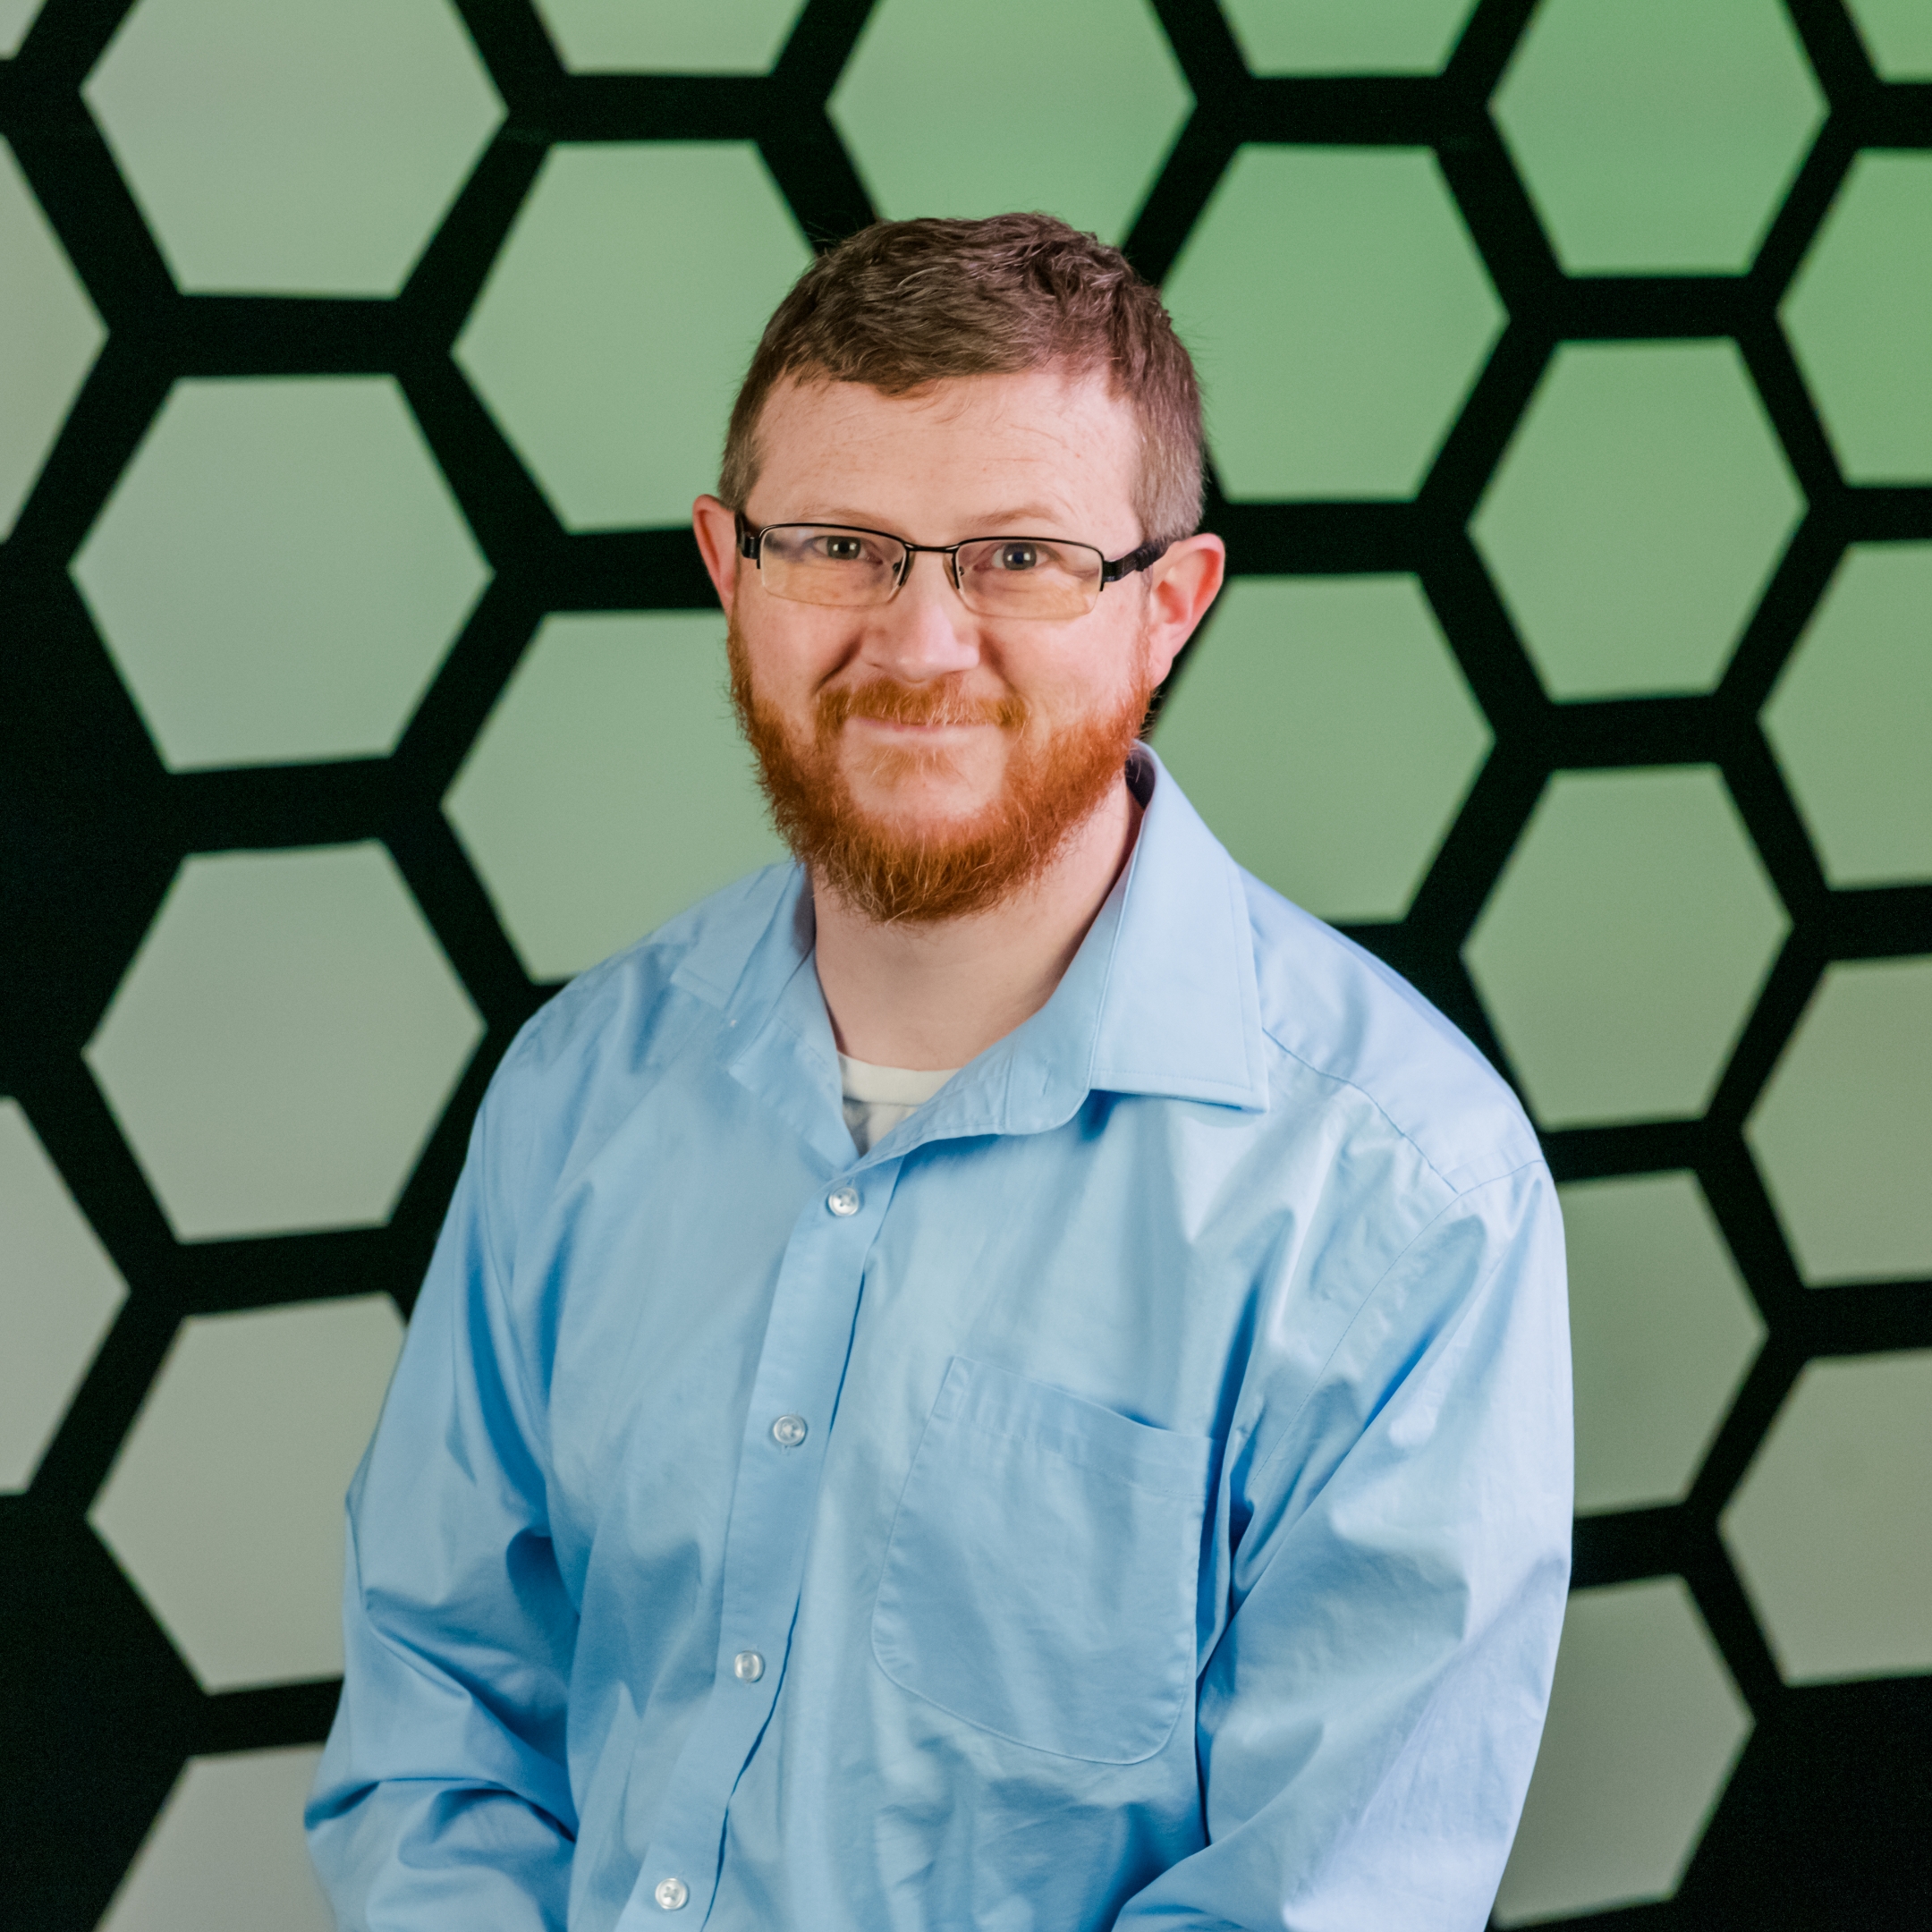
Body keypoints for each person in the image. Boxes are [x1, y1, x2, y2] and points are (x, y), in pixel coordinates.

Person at [308, 213, 1571, 1931]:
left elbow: (1315, 1900)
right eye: (840, 546)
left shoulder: (1405, 1197)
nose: (916, 648)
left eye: (1020, 558)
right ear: (728, 567)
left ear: (1169, 607)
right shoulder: (580, 1088)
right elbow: (440, 1720)